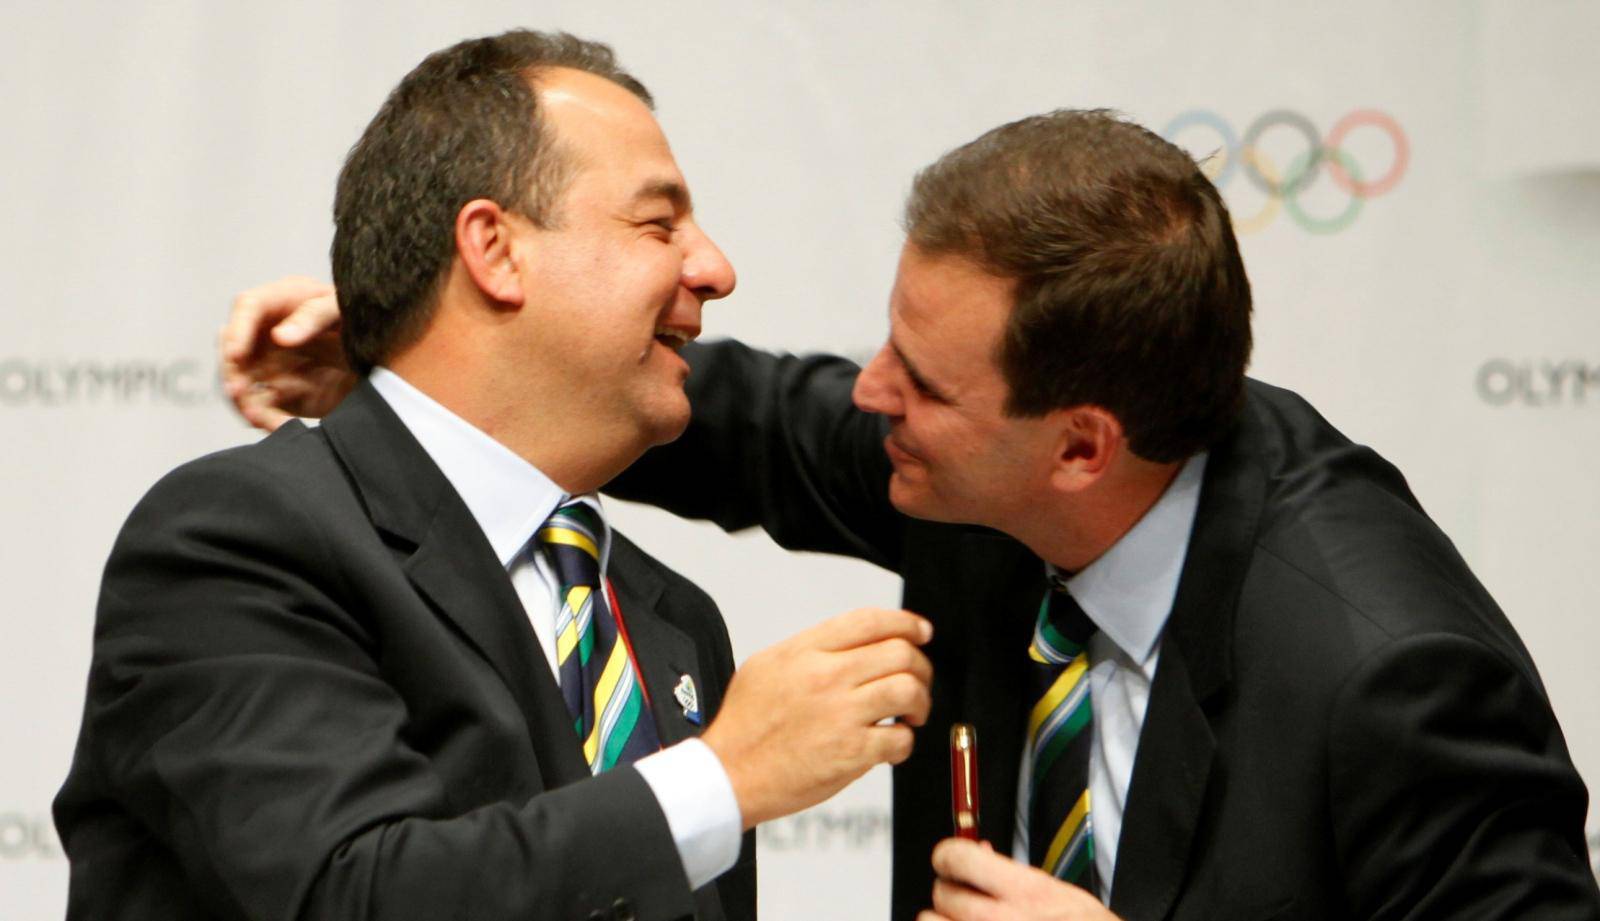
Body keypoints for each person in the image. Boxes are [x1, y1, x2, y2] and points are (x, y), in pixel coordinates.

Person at [220, 110, 1600, 921]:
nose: (870, 397)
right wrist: (424, 348)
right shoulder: (968, 471)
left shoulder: (1391, 672)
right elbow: (748, 422)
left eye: (921, 384)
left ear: (1078, 448)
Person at [56, 31, 937, 921]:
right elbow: (348, 895)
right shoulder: (240, 538)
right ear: (494, 248)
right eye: (658, 223)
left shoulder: (671, 619)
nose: (714, 269)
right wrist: (724, 776)